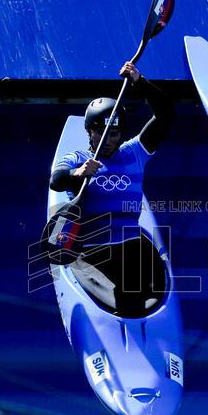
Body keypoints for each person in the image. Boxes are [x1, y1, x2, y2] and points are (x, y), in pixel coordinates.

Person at [49, 61, 174, 316]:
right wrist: (78, 173)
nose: (108, 139)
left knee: (138, 272)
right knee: (130, 282)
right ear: (89, 131)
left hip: (130, 246)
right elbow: (56, 180)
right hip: (92, 251)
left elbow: (166, 114)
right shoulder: (76, 157)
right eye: (101, 133)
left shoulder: (135, 152)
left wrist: (140, 80)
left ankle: (139, 317)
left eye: (115, 134)